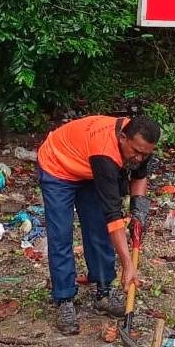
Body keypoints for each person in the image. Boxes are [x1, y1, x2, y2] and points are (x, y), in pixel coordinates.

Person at [37, 114, 160, 335]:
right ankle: (64, 298)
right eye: (136, 152)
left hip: (87, 166)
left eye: (145, 154)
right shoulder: (105, 153)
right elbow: (113, 216)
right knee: (61, 234)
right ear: (122, 138)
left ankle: (103, 290)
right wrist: (127, 265)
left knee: (98, 229)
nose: (140, 158)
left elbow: (139, 176)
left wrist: (138, 212)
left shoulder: (140, 140)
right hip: (58, 165)